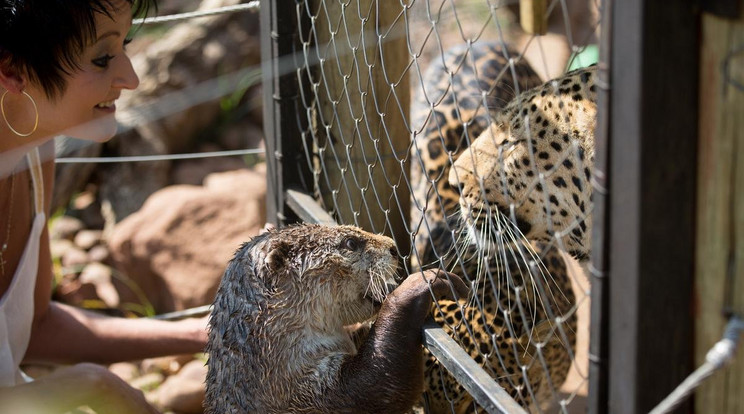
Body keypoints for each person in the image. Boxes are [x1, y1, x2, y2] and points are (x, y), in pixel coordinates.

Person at [0, 1, 208, 412]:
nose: (130, 78)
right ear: (13, 70)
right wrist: (88, 386)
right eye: (102, 58)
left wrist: (201, 333)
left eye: (125, 43)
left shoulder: (35, 150)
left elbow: (34, 327)